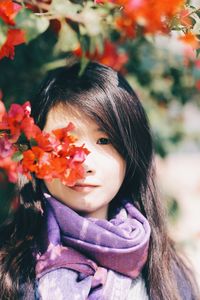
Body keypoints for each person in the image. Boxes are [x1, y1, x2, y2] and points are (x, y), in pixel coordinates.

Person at [0, 61, 199, 300]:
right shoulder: (7, 266)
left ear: (130, 153)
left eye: (103, 141)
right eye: (66, 141)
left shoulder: (169, 275)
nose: (84, 163)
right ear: (35, 147)